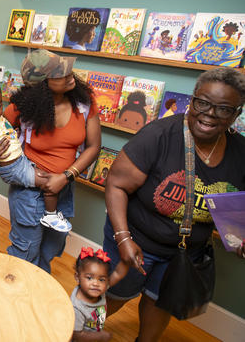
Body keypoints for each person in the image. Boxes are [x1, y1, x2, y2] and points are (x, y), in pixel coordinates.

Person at [102, 67, 245, 342]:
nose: (209, 114)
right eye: (202, 103)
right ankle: (72, 332)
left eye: (223, 109)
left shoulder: (240, 153)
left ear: (236, 115)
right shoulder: (158, 135)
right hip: (135, 241)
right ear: (192, 100)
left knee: (160, 300)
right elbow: (117, 184)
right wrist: (122, 238)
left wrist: (240, 236)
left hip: (185, 253)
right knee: (114, 296)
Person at [0, 49, 101, 273]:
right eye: (60, 74)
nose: (69, 76)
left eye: (67, 70)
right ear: (42, 84)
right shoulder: (23, 108)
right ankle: (15, 300)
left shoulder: (85, 103)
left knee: (51, 248)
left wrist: (66, 176)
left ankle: (36, 299)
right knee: (26, 253)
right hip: (30, 193)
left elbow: (94, 147)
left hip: (64, 190)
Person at [0, 77, 71, 232]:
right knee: (49, 181)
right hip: (13, 169)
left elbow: (5, 130)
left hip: (21, 161)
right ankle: (50, 215)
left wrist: (13, 134)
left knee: (48, 176)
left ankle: (50, 214)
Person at [71, 247, 127, 342]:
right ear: (77, 277)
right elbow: (76, 335)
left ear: (107, 281)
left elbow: (118, 273)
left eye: (101, 279)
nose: (96, 283)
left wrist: (127, 261)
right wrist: (100, 337)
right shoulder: (77, 308)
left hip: (93, 332)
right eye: (89, 278)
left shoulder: (100, 289)